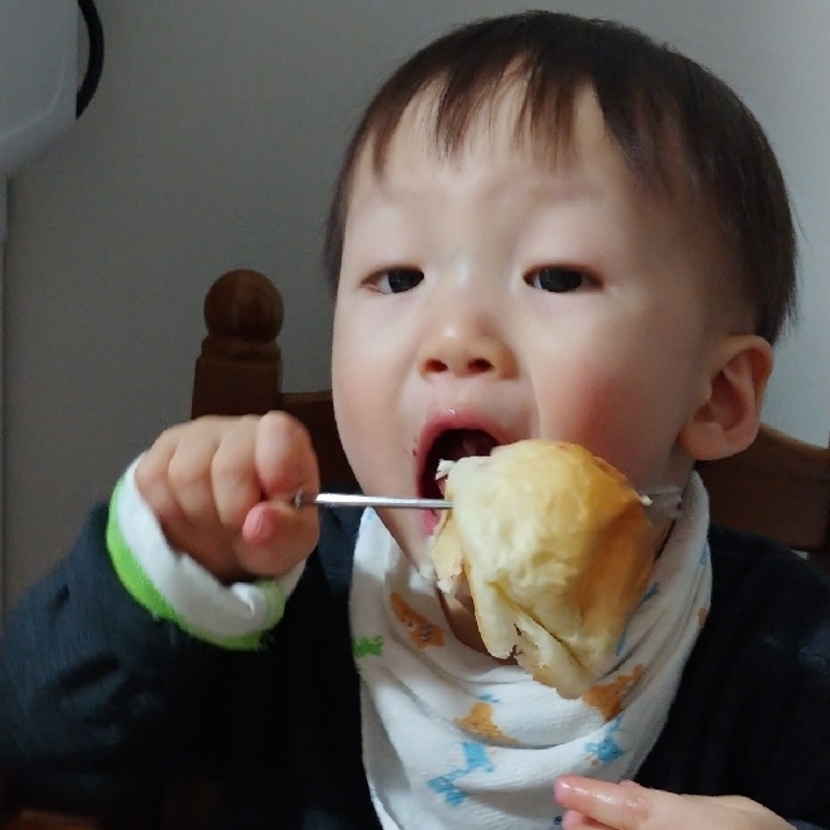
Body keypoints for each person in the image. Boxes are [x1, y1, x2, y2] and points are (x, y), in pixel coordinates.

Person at [1, 10, 828, 830]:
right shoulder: (285, 603)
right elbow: (28, 744)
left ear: (716, 397)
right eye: (399, 277)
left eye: (556, 276)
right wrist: (164, 575)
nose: (454, 336)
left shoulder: (785, 652)